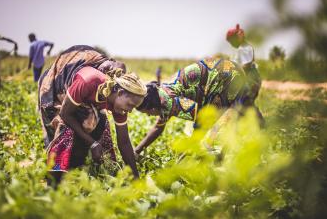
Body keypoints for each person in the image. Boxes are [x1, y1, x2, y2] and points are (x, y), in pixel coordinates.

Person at [38, 45, 146, 183]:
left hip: (84, 97)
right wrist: (92, 143)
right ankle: (55, 179)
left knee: (100, 125)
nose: (130, 111)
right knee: (66, 128)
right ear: (119, 93)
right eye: (130, 106)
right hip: (58, 87)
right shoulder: (89, 80)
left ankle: (80, 169)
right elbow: (66, 114)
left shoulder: (121, 104)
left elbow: (124, 141)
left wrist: (136, 179)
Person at [135, 57, 249, 155]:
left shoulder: (168, 102)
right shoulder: (160, 95)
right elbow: (158, 127)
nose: (149, 115)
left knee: (215, 125)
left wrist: (189, 150)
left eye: (147, 112)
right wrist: (136, 151)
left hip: (226, 76)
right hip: (228, 68)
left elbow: (201, 117)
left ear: (153, 107)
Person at [226, 24, 264, 123]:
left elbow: (245, 66)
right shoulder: (238, 50)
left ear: (237, 38)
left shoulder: (246, 49)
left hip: (251, 80)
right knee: (239, 105)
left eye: (231, 41)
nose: (231, 44)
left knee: (246, 103)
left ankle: (261, 124)